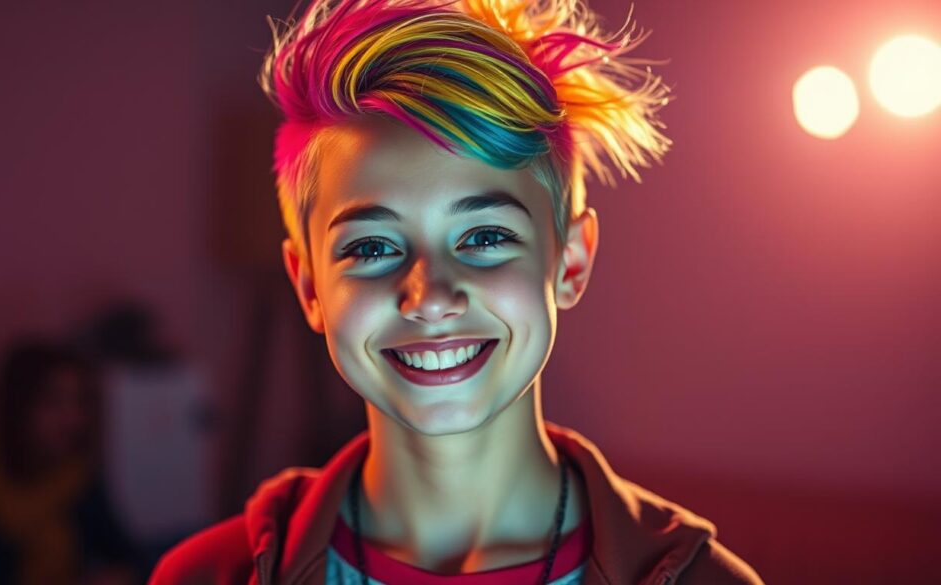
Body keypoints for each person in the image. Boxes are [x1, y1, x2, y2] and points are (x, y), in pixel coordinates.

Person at [151, 0, 765, 582]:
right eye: (370, 248)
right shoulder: (206, 576)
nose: (430, 296)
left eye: (486, 236)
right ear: (309, 286)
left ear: (570, 264)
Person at [0, 338, 141, 585]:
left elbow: (128, 556)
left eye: (79, 401)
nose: (72, 419)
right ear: (19, 408)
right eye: (54, 402)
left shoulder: (77, 480)